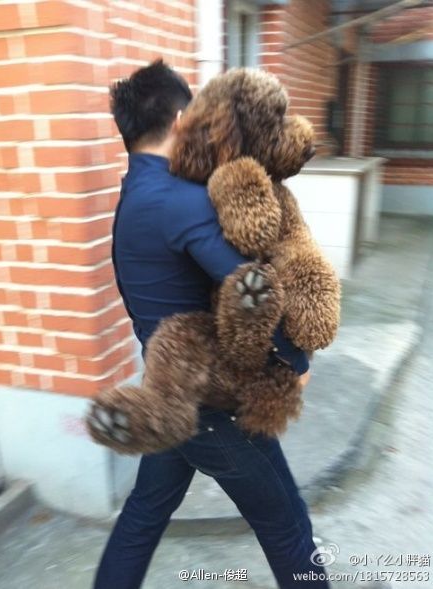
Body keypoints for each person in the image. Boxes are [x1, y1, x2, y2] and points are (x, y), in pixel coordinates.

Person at [93, 60, 329, 589]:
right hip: (216, 409)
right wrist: (295, 360)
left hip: (170, 389)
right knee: (289, 527)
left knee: (142, 517)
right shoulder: (186, 203)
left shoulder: (134, 198)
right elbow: (249, 286)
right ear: (182, 120)